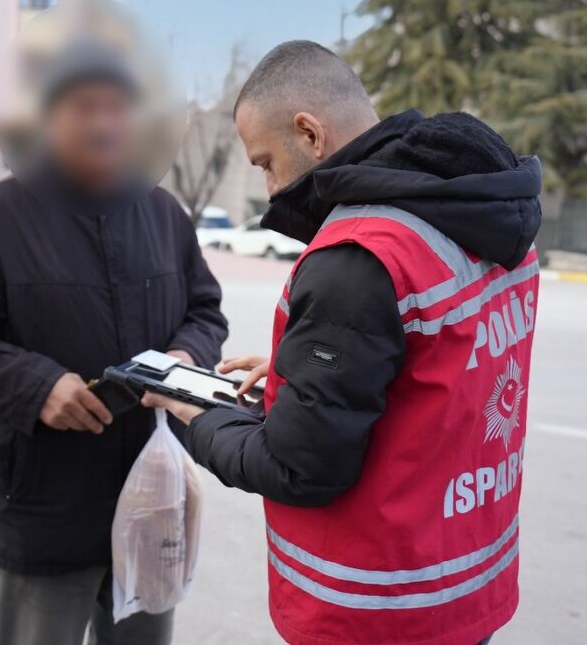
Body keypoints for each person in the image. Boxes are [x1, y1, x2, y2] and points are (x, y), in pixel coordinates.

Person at [143, 41, 542, 645]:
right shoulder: (478, 211)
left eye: (265, 163)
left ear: (309, 133)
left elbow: (298, 468)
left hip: (376, 606)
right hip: (465, 580)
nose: (272, 189)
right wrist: (299, 371)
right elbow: (439, 367)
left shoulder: (362, 253)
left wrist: (194, 413)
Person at [0, 39, 228, 645]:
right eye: (85, 106)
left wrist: (187, 356)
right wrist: (34, 387)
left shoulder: (163, 214)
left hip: (150, 498)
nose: (105, 122)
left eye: (118, 107)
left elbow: (205, 309)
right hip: (40, 508)